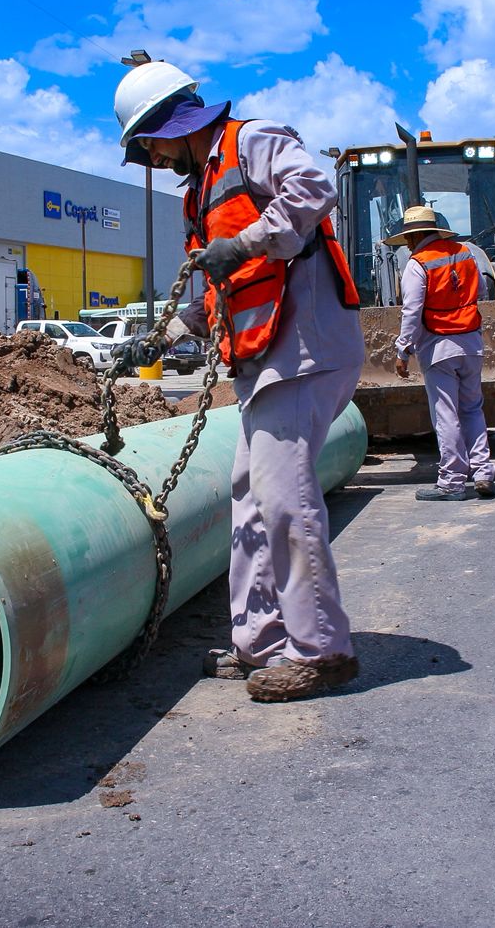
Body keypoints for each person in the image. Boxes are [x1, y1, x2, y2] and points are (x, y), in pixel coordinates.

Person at [111, 60, 365, 703]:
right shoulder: (201, 189)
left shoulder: (252, 141)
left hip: (304, 348)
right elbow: (232, 282)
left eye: (149, 146)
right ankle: (262, 643)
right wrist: (177, 328)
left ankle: (322, 650)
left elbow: (313, 187)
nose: (153, 158)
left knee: (286, 499)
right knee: (250, 498)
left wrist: (248, 241)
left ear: (166, 127)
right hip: (264, 357)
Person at [387, 205, 495, 501]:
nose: (408, 243)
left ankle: (451, 481)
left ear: (415, 236)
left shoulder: (417, 263)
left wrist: (403, 351)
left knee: (446, 414)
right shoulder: (465, 253)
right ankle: (484, 473)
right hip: (472, 345)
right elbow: (481, 293)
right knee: (472, 409)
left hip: (438, 349)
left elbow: (412, 311)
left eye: (409, 238)